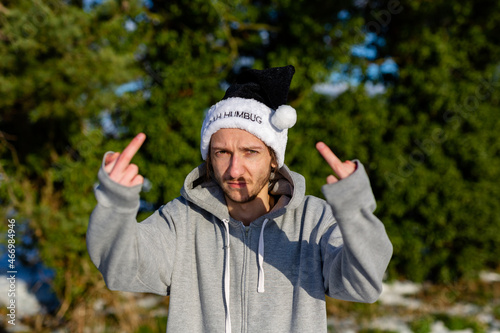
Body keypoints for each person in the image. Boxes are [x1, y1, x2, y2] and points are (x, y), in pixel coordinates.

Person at [87, 65, 392, 333]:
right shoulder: (181, 220)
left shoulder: (314, 220)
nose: (234, 169)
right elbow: (121, 270)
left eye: (250, 152)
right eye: (222, 152)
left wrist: (354, 209)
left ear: (274, 159)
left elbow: (362, 286)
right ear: (209, 156)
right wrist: (116, 203)